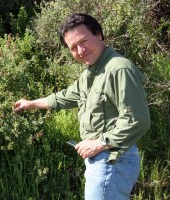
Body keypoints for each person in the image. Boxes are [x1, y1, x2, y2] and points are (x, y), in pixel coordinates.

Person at [13, 13, 151, 200]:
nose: (80, 50)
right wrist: (31, 104)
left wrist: (99, 143)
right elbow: (66, 97)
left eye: (83, 41)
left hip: (113, 161)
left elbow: (138, 120)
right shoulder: (91, 73)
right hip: (102, 161)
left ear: (98, 34)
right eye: (73, 48)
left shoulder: (118, 68)